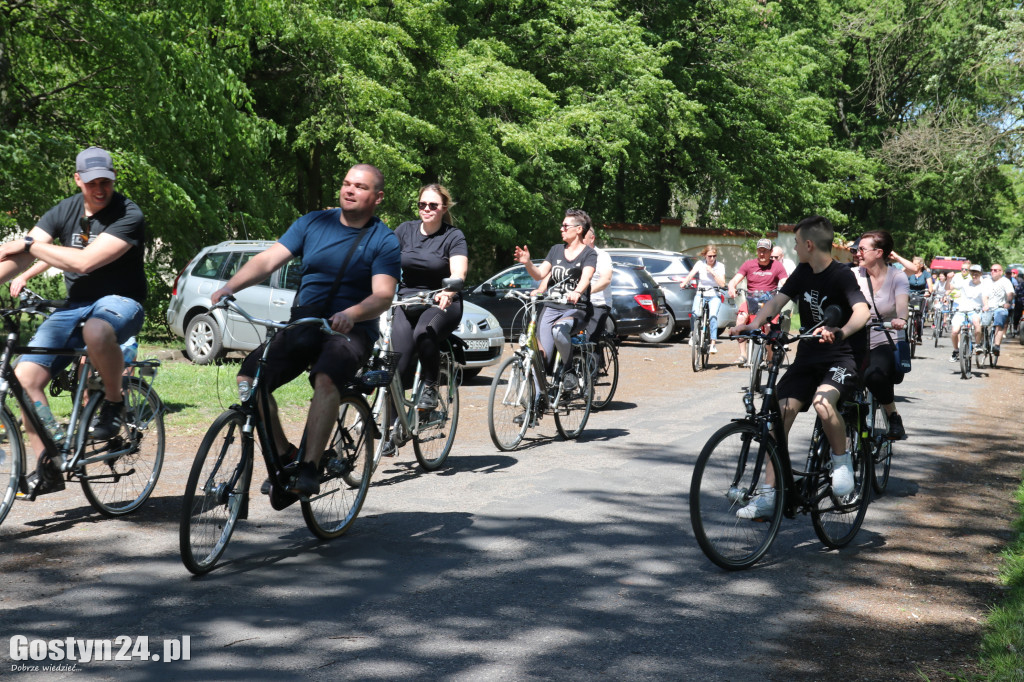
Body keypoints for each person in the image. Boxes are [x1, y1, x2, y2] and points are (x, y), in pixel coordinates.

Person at [211, 164, 401, 499]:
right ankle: (285, 454)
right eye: (346, 183)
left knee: (326, 378)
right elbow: (268, 260)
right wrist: (229, 287)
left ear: (378, 197)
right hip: (305, 320)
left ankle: (309, 468)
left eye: (359, 186)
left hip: (350, 328)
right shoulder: (313, 223)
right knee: (249, 380)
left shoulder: (383, 240)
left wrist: (352, 314)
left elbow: (383, 295)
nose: (349, 190)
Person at [0, 146, 147, 497]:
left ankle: (113, 402)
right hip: (72, 306)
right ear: (78, 179)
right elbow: (18, 257)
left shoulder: (129, 213)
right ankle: (48, 464)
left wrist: (30, 245)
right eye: (92, 182)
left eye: (106, 182)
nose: (100, 189)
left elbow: (83, 263)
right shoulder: (64, 209)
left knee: (96, 331)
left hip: (120, 301)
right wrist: (25, 249)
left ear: (113, 180)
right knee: (24, 378)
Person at [729, 216, 870, 518]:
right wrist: (752, 323)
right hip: (808, 357)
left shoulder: (841, 275)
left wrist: (841, 331)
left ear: (808, 244)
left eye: (795, 243)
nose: (793, 248)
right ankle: (770, 495)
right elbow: (775, 303)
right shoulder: (802, 273)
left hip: (842, 356)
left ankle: (842, 461)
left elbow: (862, 311)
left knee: (822, 403)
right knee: (778, 415)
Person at [392, 184, 468, 410]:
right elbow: (382, 259)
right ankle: (392, 429)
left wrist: (449, 291)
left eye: (433, 205)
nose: (426, 209)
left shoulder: (453, 236)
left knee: (424, 333)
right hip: (407, 301)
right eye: (422, 204)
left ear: (443, 208)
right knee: (396, 365)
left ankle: (430, 387)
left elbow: (459, 272)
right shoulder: (405, 230)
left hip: (441, 301)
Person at [513, 209, 597, 381]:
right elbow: (539, 274)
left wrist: (577, 292)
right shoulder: (556, 250)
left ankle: (569, 369)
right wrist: (527, 263)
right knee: (540, 356)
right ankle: (537, 402)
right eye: (562, 225)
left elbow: (586, 277)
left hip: (575, 309)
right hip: (551, 307)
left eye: (566, 226)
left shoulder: (589, 253)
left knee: (559, 331)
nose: (561, 229)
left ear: (579, 229)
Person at [854, 231, 909, 440]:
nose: (857, 253)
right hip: (855, 338)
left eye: (861, 249)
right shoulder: (853, 275)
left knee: (874, 376)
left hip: (884, 337)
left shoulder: (897, 276)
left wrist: (901, 319)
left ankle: (893, 415)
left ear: (878, 252)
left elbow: (902, 305)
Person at [727, 238, 788, 365]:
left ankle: (770, 357)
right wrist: (732, 287)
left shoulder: (777, 266)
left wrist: (789, 291)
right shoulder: (748, 264)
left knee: (768, 326)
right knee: (740, 319)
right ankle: (743, 354)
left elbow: (785, 282)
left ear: (770, 252)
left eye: (765, 251)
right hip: (751, 301)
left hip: (770, 302)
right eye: (760, 250)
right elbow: (734, 280)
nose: (762, 254)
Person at [680, 245, 726, 354]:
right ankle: (693, 334)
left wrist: (712, 272)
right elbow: (691, 274)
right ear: (705, 255)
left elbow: (722, 284)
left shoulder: (720, 266)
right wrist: (684, 283)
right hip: (701, 293)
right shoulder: (700, 264)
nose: (712, 258)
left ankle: (713, 344)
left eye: (714, 256)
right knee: (694, 313)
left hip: (714, 295)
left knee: (713, 317)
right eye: (709, 256)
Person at [948, 264, 988, 364]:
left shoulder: (983, 285)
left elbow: (984, 297)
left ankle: (977, 345)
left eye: (976, 273)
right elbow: (949, 287)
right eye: (972, 273)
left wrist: (986, 305)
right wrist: (949, 279)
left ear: (980, 274)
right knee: (954, 331)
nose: (974, 275)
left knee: (976, 322)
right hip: (961, 310)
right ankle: (956, 351)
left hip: (975, 310)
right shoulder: (965, 282)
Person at [581, 219, 614, 339]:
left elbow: (605, 279)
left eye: (583, 237)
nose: (579, 241)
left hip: (598, 303)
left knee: (591, 340)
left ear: (592, 238)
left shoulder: (602, 256)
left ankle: (594, 355)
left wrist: (585, 292)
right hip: (578, 304)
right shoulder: (575, 255)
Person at [986, 264, 1014, 357]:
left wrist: (1008, 301)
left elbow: (1010, 293)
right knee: (979, 323)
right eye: (991, 270)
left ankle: (996, 345)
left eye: (995, 270)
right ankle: (981, 343)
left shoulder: (1005, 281)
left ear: (1001, 272)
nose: (993, 271)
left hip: (1000, 306)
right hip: (987, 307)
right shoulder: (986, 280)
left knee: (999, 321)